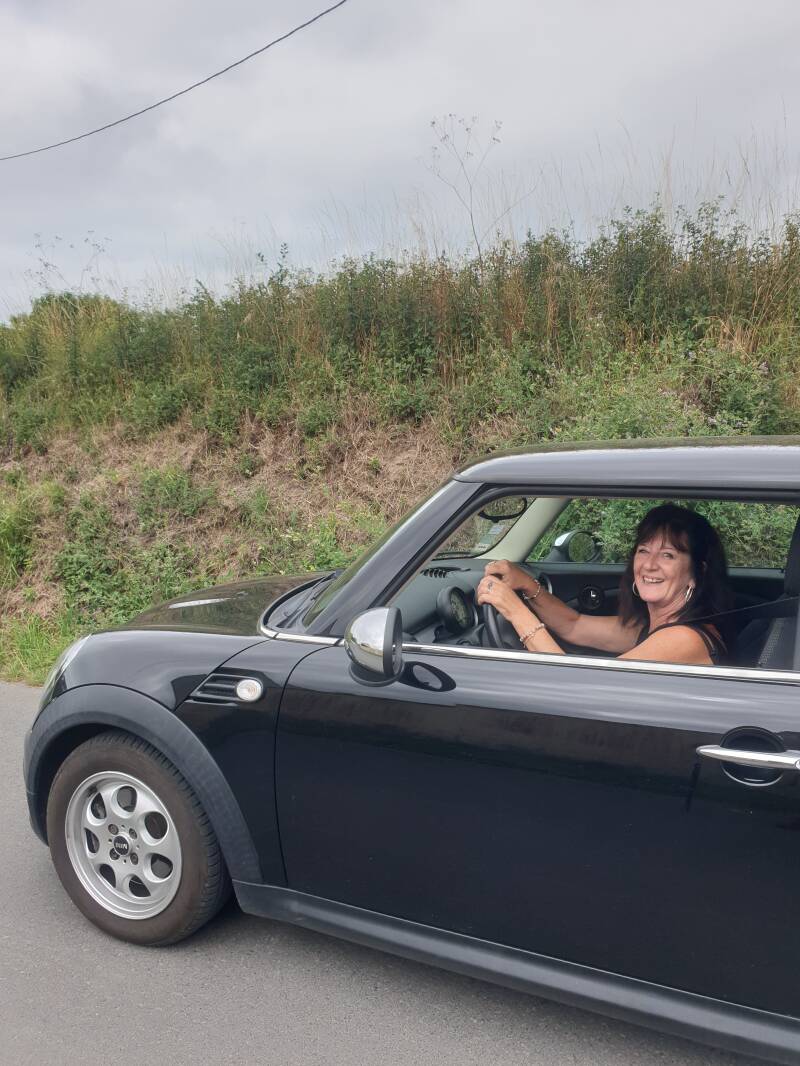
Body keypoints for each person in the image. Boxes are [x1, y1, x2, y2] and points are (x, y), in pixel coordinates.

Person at [476, 503, 732, 666]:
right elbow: (574, 625)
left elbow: (576, 688)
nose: (649, 565)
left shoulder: (684, 639)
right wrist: (527, 585)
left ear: (696, 573)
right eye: (643, 551)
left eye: (668, 555)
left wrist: (515, 611)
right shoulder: (655, 628)